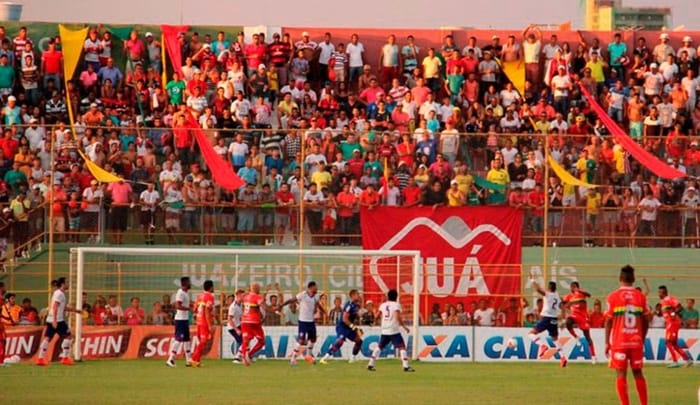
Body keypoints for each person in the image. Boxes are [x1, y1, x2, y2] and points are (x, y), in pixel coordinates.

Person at [604, 265, 650, 405]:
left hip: (620, 342)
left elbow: (608, 321)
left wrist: (607, 342)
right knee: (638, 373)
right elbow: (646, 320)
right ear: (634, 279)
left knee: (621, 374)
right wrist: (642, 338)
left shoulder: (612, 297)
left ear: (620, 278)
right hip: (636, 341)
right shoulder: (641, 296)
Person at [279, 281, 326, 366]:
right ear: (311, 288)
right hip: (303, 321)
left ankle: (308, 355)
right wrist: (282, 305)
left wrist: (324, 311)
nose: (317, 289)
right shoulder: (303, 295)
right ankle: (293, 358)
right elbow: (291, 300)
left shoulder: (315, 296)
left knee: (313, 339)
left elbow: (318, 304)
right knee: (301, 340)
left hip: (311, 321)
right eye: (315, 287)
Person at [367, 289, 414, 372]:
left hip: (384, 329)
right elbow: (397, 317)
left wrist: (374, 322)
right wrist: (404, 327)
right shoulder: (396, 305)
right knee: (402, 347)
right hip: (393, 330)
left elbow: (377, 315)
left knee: (379, 347)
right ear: (396, 297)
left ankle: (370, 364)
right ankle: (406, 366)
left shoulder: (383, 305)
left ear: (388, 296)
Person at [36, 277, 80, 366]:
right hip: (58, 320)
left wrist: (76, 311)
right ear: (63, 284)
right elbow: (55, 307)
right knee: (69, 336)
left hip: (51, 319)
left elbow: (62, 307)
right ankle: (65, 358)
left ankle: (40, 359)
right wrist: (55, 321)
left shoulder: (58, 293)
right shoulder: (60, 294)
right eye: (67, 282)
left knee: (48, 338)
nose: (68, 284)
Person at [527, 279, 567, 367]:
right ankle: (563, 357)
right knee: (555, 339)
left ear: (548, 288)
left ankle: (542, 345)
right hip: (554, 319)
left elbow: (538, 289)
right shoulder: (557, 296)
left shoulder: (548, 294)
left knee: (531, 334)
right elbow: (563, 307)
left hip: (546, 318)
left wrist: (532, 280)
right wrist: (563, 320)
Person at [319, 289, 363, 364]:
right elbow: (344, 319)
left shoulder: (355, 305)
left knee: (359, 341)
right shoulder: (349, 305)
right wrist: (353, 327)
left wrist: (360, 322)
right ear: (352, 296)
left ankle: (352, 358)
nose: (358, 296)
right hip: (342, 326)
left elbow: (354, 317)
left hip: (349, 327)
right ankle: (324, 358)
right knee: (340, 341)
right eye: (357, 294)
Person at [658, 285, 693, 367]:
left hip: (672, 323)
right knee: (673, 343)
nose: (658, 294)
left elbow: (680, 307)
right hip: (670, 323)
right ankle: (688, 360)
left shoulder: (669, 298)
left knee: (668, 342)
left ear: (663, 292)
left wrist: (673, 314)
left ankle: (675, 361)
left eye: (659, 292)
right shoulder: (663, 302)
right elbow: (667, 311)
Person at [562, 281, 597, 364]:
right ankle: (576, 337)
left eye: (574, 286)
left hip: (583, 317)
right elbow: (562, 305)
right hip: (574, 315)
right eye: (571, 286)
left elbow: (589, 295)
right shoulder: (568, 296)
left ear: (578, 287)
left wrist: (579, 290)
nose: (572, 288)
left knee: (587, 337)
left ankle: (593, 356)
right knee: (568, 322)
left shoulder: (581, 294)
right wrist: (566, 310)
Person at [166, 276, 192, 368]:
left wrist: (192, 304)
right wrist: (189, 309)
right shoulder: (180, 293)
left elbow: (185, 303)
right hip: (180, 319)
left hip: (184, 319)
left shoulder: (185, 293)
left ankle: (188, 360)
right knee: (178, 339)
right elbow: (178, 306)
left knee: (187, 340)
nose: (190, 283)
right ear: (185, 283)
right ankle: (170, 359)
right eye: (189, 282)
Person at [239, 282, 266, 366]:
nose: (259, 289)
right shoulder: (258, 297)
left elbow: (239, 301)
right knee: (261, 341)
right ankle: (249, 354)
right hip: (254, 321)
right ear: (256, 288)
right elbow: (263, 308)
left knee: (245, 340)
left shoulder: (245, 297)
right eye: (258, 288)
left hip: (244, 321)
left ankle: (245, 357)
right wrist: (272, 310)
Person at [191, 279, 215, 367]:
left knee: (201, 342)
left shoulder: (200, 296)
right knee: (203, 341)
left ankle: (196, 360)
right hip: (204, 322)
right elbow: (207, 311)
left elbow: (194, 309)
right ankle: (193, 359)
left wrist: (196, 318)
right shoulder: (210, 297)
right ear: (211, 287)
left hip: (199, 321)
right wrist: (209, 325)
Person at [227, 289, 245, 363]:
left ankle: (245, 356)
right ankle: (237, 358)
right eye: (243, 296)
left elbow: (240, 316)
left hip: (238, 325)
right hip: (232, 327)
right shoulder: (233, 307)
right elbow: (229, 319)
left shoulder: (240, 304)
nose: (244, 297)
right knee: (242, 341)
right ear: (238, 296)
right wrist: (236, 330)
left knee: (245, 340)